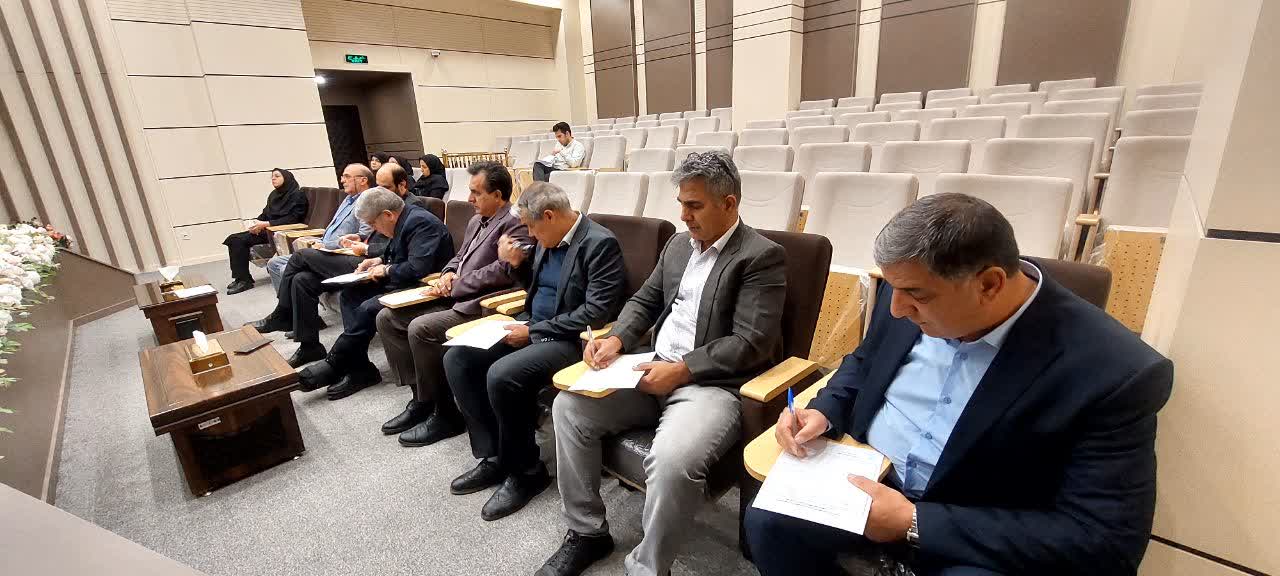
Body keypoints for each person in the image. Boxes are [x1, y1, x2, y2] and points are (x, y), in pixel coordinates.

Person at [745, 193, 1175, 576]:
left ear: (989, 284)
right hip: (873, 475)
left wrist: (915, 522)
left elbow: (1104, 542)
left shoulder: (1115, 372)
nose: (896, 309)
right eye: (893, 289)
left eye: (916, 296)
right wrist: (825, 410)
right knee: (767, 523)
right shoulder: (910, 289)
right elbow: (863, 361)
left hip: (977, 522)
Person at [536, 152, 787, 576]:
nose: (684, 215)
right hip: (651, 367)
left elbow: (751, 342)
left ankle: (648, 568)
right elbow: (646, 300)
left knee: (671, 462)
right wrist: (616, 339)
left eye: (695, 206)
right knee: (569, 408)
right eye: (681, 204)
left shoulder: (760, 256)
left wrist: (683, 370)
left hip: (711, 385)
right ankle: (587, 532)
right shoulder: (678, 245)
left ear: (729, 203)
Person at [442, 182, 625, 522]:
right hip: (532, 324)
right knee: (458, 357)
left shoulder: (599, 244)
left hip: (570, 341)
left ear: (550, 216)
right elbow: (540, 290)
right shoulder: (546, 238)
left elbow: (596, 312)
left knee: (502, 375)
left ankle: (526, 472)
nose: (528, 234)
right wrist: (517, 266)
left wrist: (534, 332)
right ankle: (495, 457)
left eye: (530, 226)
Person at [376, 161, 532, 445]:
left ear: (497, 195)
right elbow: (460, 256)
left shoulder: (515, 223)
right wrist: (447, 273)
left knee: (421, 329)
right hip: (454, 295)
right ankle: (421, 399)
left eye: (476, 193)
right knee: (387, 318)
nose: (469, 198)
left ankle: (445, 413)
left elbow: (503, 271)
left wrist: (458, 284)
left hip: (482, 304)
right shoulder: (476, 220)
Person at [296, 188, 455, 400]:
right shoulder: (404, 218)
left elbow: (418, 268)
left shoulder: (420, 222)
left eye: (373, 223)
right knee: (350, 294)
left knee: (369, 307)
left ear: (388, 214)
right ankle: (359, 366)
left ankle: (336, 360)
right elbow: (398, 251)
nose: (373, 229)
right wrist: (378, 260)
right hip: (404, 280)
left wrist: (386, 269)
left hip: (424, 286)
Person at [247, 165, 380, 368]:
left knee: (300, 256)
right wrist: (322, 243)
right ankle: (310, 346)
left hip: (355, 258)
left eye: (347, 176)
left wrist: (331, 245)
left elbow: (367, 235)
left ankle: (283, 312)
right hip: (333, 253)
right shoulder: (348, 199)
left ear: (363, 180)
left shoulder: (369, 198)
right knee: (302, 280)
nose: (342, 180)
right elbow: (337, 230)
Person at [223, 168, 307, 294]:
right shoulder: (274, 195)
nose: (273, 178)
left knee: (239, 241)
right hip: (267, 229)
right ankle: (241, 277)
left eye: (277, 176)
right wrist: (256, 224)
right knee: (233, 238)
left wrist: (266, 224)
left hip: (281, 231)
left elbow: (294, 218)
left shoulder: (297, 195)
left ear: (286, 178)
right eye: (272, 176)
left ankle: (244, 281)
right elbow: (265, 214)